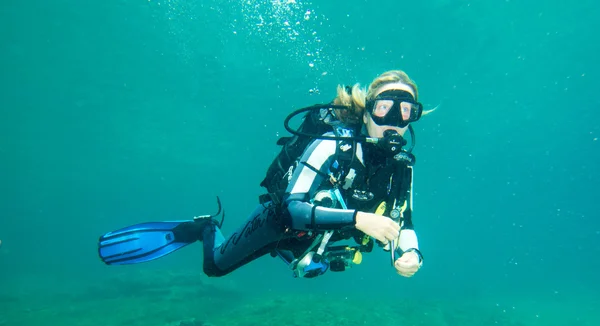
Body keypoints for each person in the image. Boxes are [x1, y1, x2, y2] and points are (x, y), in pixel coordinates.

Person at [98, 70, 428, 279]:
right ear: (367, 108)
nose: (394, 120)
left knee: (306, 263)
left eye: (406, 111)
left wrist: (409, 253)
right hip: (278, 221)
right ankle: (205, 227)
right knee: (214, 267)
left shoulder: (402, 165)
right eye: (385, 107)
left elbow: (406, 223)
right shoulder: (334, 143)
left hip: (316, 238)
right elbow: (292, 209)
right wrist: (358, 220)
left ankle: (292, 256)